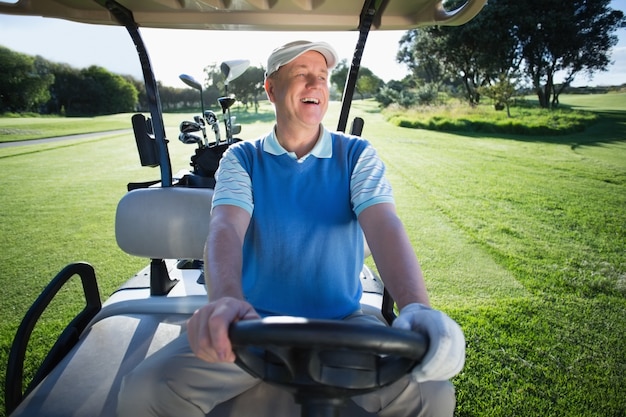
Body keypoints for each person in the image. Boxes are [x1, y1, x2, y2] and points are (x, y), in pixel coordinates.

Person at [117, 40, 465, 417]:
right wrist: (227, 301)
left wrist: (416, 306)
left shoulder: (357, 155)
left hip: (344, 323)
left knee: (432, 395)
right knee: (146, 389)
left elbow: (383, 226)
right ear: (270, 88)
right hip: (251, 324)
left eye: (322, 77)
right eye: (302, 75)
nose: (315, 85)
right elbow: (226, 230)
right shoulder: (242, 158)